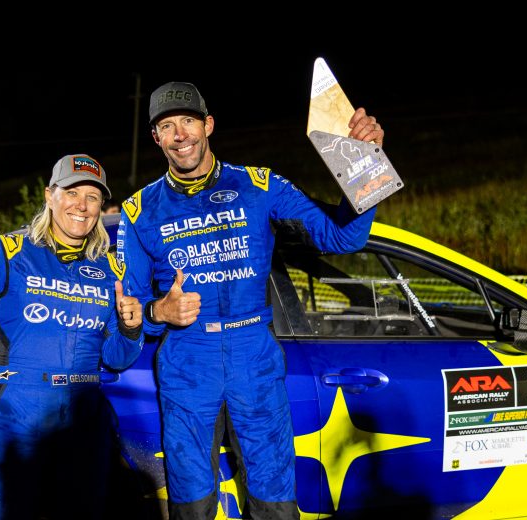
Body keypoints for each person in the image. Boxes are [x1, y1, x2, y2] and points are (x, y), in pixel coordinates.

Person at [117, 82, 384, 519]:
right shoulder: (138, 210)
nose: (180, 135)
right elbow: (128, 309)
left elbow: (341, 237)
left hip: (254, 358)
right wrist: (159, 311)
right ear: (156, 138)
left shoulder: (260, 185)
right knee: (191, 505)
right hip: (188, 363)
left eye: (188, 121)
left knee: (274, 500)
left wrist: (365, 164)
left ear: (208, 125)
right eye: (167, 126)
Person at [0, 154, 143, 519]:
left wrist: (130, 328)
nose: (82, 205)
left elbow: (116, 357)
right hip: (13, 418)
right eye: (72, 192)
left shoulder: (111, 269)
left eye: (92, 196)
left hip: (82, 424)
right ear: (49, 196)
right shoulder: (9, 252)